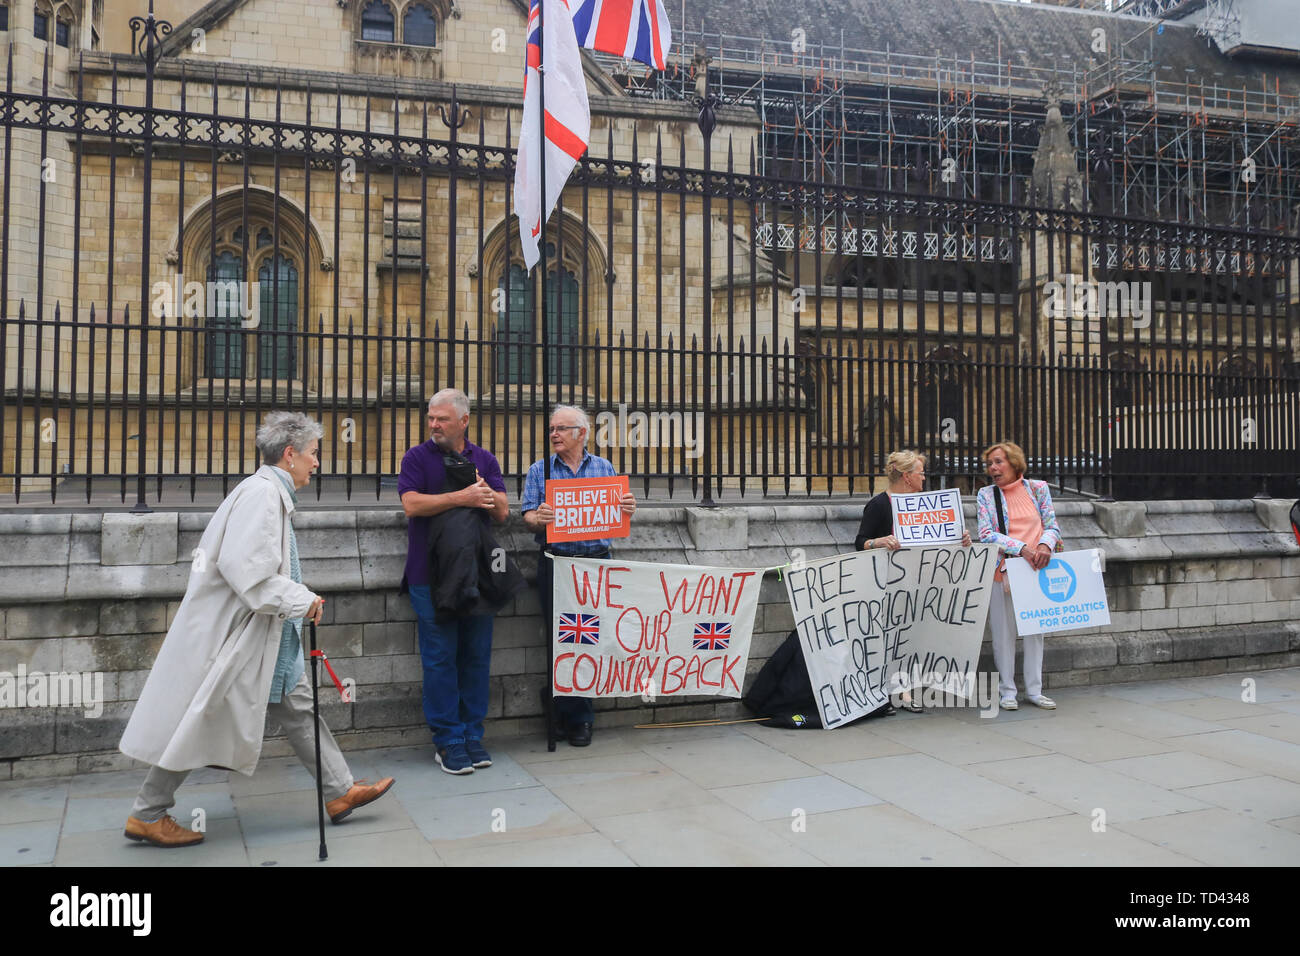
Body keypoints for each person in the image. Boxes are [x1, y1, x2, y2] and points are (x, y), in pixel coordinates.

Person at [119, 411, 395, 847]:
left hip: (266, 635)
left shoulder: (269, 492)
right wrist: (302, 600)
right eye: (313, 453)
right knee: (201, 718)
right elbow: (248, 572)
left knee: (298, 706)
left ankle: (340, 791)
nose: (317, 462)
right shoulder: (262, 496)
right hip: (241, 636)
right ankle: (147, 814)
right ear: (289, 454)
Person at [399, 389, 509, 774]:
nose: (434, 425)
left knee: (476, 658)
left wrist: (484, 491)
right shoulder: (416, 457)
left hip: (476, 574)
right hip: (428, 575)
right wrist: (462, 496)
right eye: (431, 418)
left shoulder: (485, 459)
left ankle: (472, 735)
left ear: (463, 421)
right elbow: (411, 504)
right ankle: (448, 740)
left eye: (442, 419)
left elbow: (502, 513)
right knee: (440, 659)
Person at [521, 405, 637, 746]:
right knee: (561, 640)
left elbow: (617, 511)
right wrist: (538, 518)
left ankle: (579, 717)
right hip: (557, 564)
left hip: (595, 564)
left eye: (561, 428)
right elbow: (527, 515)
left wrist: (628, 508)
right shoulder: (540, 470)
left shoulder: (604, 467)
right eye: (552, 429)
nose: (554, 434)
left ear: (581, 433)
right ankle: (562, 710)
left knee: (590, 638)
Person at [854, 450, 972, 713]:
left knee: (909, 637)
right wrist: (879, 541)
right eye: (921, 473)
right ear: (907, 477)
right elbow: (860, 542)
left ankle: (902, 690)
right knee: (889, 638)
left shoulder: (928, 506)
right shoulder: (878, 505)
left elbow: (942, 539)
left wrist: (961, 538)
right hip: (890, 584)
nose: (924, 478)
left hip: (920, 584)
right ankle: (887, 693)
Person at [976, 440, 1061, 712]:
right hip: (1004, 571)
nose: (993, 468)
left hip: (1036, 570)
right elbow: (986, 534)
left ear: (1014, 463)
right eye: (990, 464)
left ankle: (1035, 690)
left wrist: (1045, 546)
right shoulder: (986, 495)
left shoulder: (1038, 489)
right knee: (1003, 634)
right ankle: (1007, 691)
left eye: (998, 462)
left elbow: (1052, 525)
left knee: (1036, 632)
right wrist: (1022, 548)